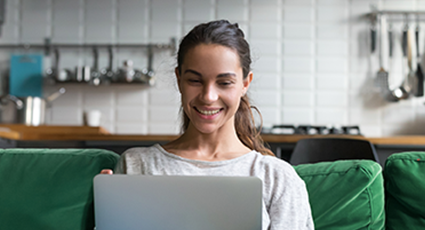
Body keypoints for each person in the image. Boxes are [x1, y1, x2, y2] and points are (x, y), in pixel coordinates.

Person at [101, 20, 314, 230]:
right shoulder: (136, 165)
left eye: (224, 83)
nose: (208, 96)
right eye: (195, 80)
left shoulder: (277, 177)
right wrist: (107, 216)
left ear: (245, 84)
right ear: (179, 79)